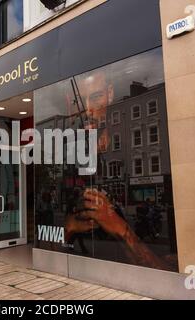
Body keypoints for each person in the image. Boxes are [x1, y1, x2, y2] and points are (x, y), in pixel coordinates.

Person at [64, 71, 172, 270]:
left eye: (96, 97)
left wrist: (119, 227)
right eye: (80, 103)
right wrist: (68, 229)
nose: (87, 110)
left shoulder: (120, 134)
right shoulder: (84, 144)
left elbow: (164, 272)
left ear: (110, 93)